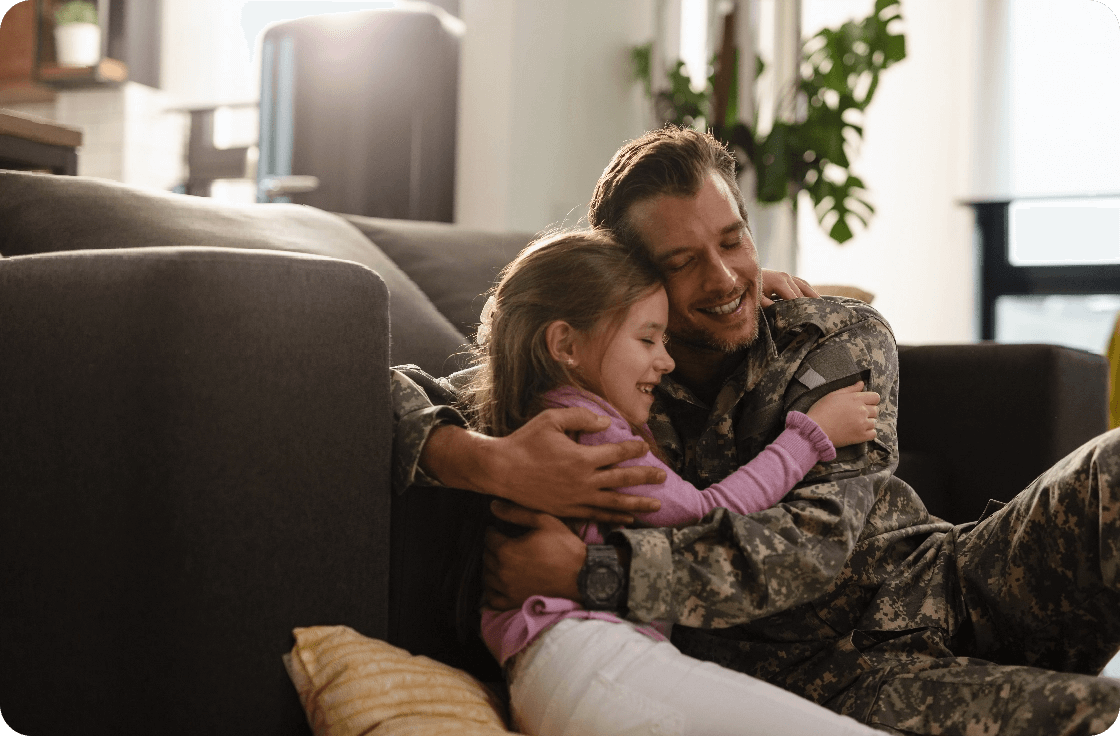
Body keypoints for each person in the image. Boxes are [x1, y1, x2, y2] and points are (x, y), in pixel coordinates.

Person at [393, 127, 1120, 734]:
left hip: (946, 584)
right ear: (634, 280)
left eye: (733, 242)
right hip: (830, 677)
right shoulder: (601, 384)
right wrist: (490, 464)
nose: (725, 278)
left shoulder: (835, 335)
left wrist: (592, 573)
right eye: (683, 262)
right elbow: (381, 391)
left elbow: (809, 547)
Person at [457, 228, 882, 734]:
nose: (667, 360)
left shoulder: (542, 413)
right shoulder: (589, 433)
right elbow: (704, 512)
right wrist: (809, 437)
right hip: (585, 656)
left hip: (577, 661)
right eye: (647, 339)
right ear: (566, 344)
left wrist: (738, 298)